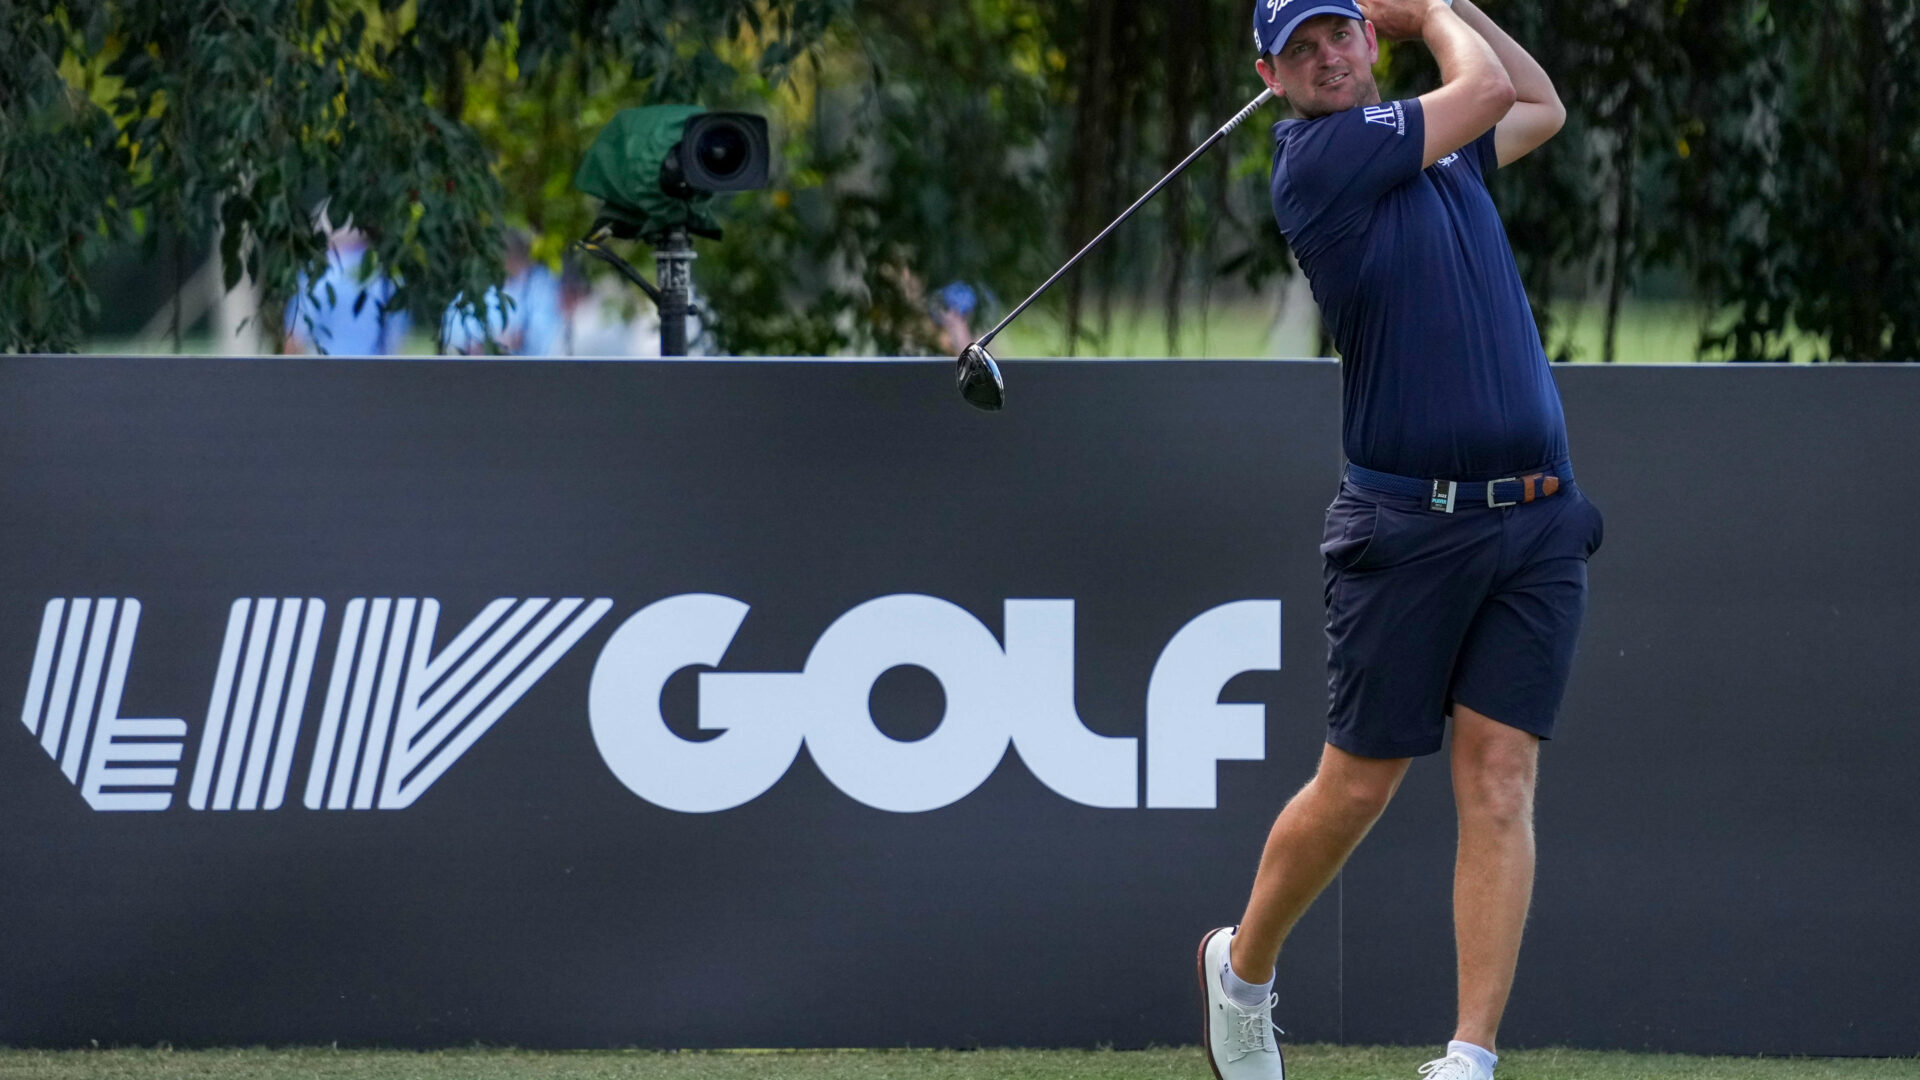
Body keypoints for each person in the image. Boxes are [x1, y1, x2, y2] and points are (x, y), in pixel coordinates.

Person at [1199, 2, 1604, 1079]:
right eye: (1302, 50)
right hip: (1404, 529)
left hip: (1536, 516)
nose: (1329, 56)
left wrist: (1453, 5)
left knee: (1500, 775)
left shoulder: (1446, 152)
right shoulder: (1320, 157)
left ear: (1363, 44)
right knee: (1359, 785)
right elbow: (1477, 93)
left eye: (1341, 32)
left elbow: (1537, 103)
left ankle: (1469, 1057)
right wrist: (1428, 11)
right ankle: (1242, 972)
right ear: (1270, 78)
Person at [283, 228, 410, 355]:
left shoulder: (317, 273)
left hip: (327, 370)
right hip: (377, 370)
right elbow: (396, 336)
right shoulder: (388, 276)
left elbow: (296, 338)